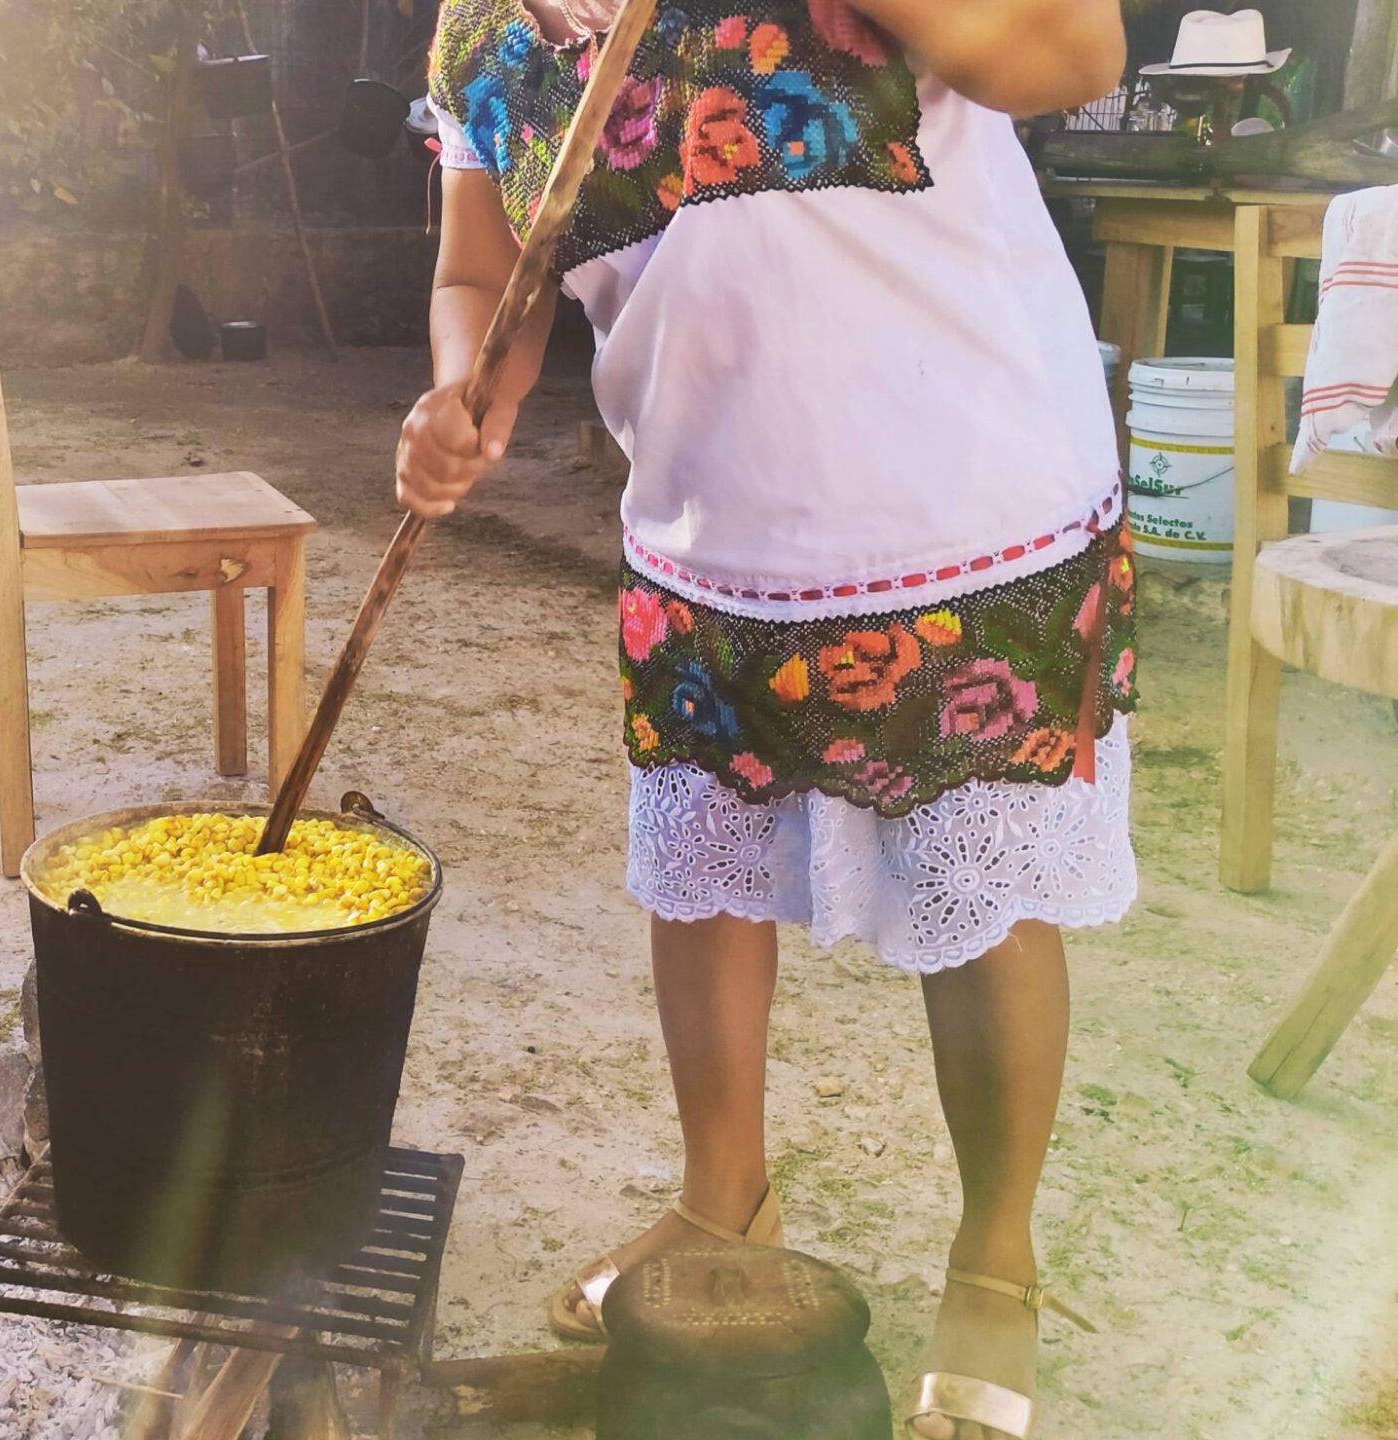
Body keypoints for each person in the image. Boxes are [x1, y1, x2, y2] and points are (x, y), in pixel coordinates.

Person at [400, 1, 1132, 1436]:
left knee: (975, 898)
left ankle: (996, 1262)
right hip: (711, 514)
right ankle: (721, 1204)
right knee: (707, 874)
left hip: (966, 503)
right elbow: (485, 267)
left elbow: (1077, 54)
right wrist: (460, 387)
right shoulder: (481, 36)